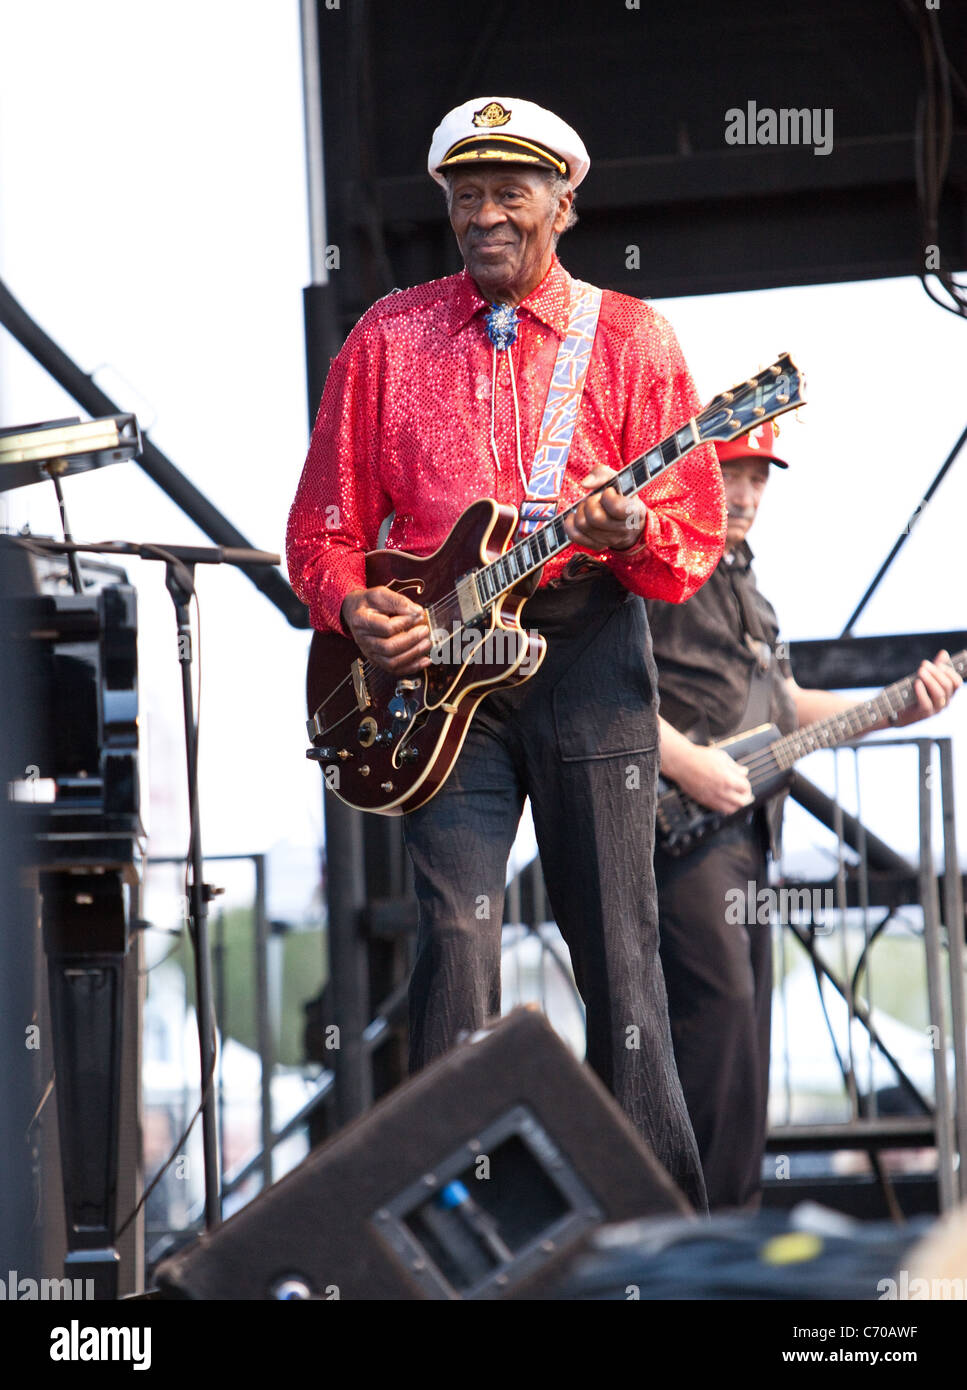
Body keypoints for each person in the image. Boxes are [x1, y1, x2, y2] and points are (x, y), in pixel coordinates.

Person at [287, 96, 727, 1211]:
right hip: (440, 679)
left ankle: (656, 1239)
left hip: (583, 656)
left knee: (620, 957)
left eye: (508, 193)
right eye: (464, 194)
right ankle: (438, 1227)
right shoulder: (384, 335)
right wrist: (351, 611)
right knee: (453, 936)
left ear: (563, 204)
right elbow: (321, 533)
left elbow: (689, 550)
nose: (483, 214)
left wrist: (632, 531)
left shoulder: (630, 337)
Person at [647, 422, 962, 1210]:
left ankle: (733, 1237)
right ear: (691, 475)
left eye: (760, 477)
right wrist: (686, 763)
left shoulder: (746, 588)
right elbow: (599, 687)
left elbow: (782, 708)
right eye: (732, 474)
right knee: (710, 1035)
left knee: (744, 1048)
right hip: (674, 835)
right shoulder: (652, 571)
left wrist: (891, 709)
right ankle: (692, 1251)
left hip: (748, 837)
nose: (747, 494)